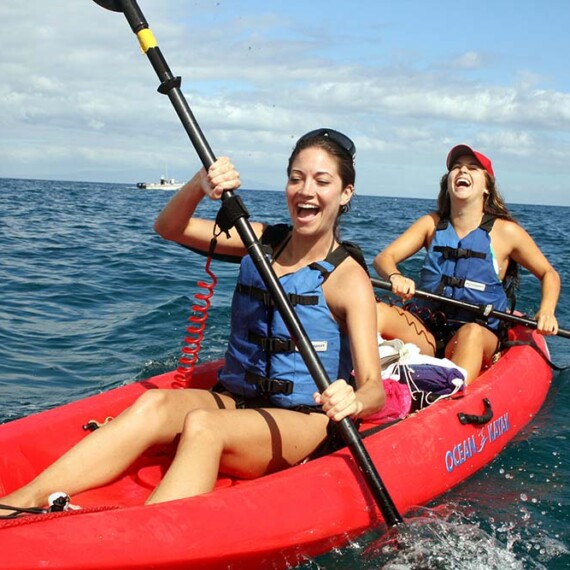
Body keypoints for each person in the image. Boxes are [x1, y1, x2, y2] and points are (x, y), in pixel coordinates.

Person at [0, 128, 384, 513]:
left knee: (204, 425)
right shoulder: (260, 242)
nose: (305, 191)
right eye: (296, 178)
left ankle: (138, 541)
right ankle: (16, 504)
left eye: (322, 181)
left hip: (301, 421)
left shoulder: (349, 279)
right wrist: (200, 185)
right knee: (154, 404)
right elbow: (169, 227)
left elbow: (373, 389)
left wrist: (352, 398)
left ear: (345, 193)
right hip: (236, 400)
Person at [374, 144, 560, 384]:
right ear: (448, 181)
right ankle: (361, 378)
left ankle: (444, 396)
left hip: (477, 333)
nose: (462, 171)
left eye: (472, 168)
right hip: (427, 330)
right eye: (456, 167)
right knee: (377, 311)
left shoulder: (506, 232)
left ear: (486, 187)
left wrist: (546, 311)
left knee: (470, 334)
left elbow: (548, 274)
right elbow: (383, 258)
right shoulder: (431, 224)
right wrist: (394, 276)